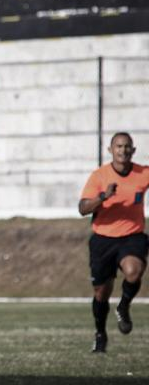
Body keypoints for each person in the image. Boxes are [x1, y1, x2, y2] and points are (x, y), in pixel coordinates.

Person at [79, 132, 149, 353]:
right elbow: (82, 208)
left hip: (132, 236)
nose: (123, 150)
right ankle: (100, 333)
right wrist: (103, 197)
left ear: (133, 150)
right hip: (103, 239)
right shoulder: (99, 176)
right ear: (110, 150)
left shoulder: (142, 173)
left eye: (127, 146)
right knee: (101, 292)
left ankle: (124, 305)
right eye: (118, 146)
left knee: (134, 271)